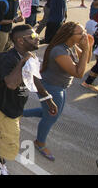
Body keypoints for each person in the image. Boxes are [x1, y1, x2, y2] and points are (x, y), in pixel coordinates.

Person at [0, 24, 58, 175]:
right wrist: (22, 62)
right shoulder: (11, 59)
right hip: (7, 107)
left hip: (12, 104)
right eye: (33, 37)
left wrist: (47, 98)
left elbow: (34, 78)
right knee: (9, 139)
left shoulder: (28, 56)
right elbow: (11, 84)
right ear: (20, 41)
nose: (37, 38)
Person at [24, 22, 93, 160]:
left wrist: (88, 47)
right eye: (81, 33)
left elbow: (87, 60)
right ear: (69, 35)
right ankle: (39, 143)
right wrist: (85, 49)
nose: (84, 34)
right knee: (51, 116)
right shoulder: (59, 51)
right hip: (51, 87)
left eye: (84, 31)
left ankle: (18, 113)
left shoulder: (71, 46)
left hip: (59, 86)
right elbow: (79, 73)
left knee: (50, 113)